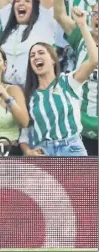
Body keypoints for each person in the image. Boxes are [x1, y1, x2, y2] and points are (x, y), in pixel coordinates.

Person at [21, 9, 98, 156]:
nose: (36, 56)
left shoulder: (67, 81)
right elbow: (24, 131)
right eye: (32, 55)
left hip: (71, 149)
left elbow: (94, 60)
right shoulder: (29, 95)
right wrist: (27, 151)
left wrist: (82, 25)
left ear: (52, 59)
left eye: (41, 53)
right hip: (43, 152)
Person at [54, 0, 98, 155]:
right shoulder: (81, 37)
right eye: (95, 13)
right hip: (80, 121)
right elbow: (59, 15)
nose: (97, 17)